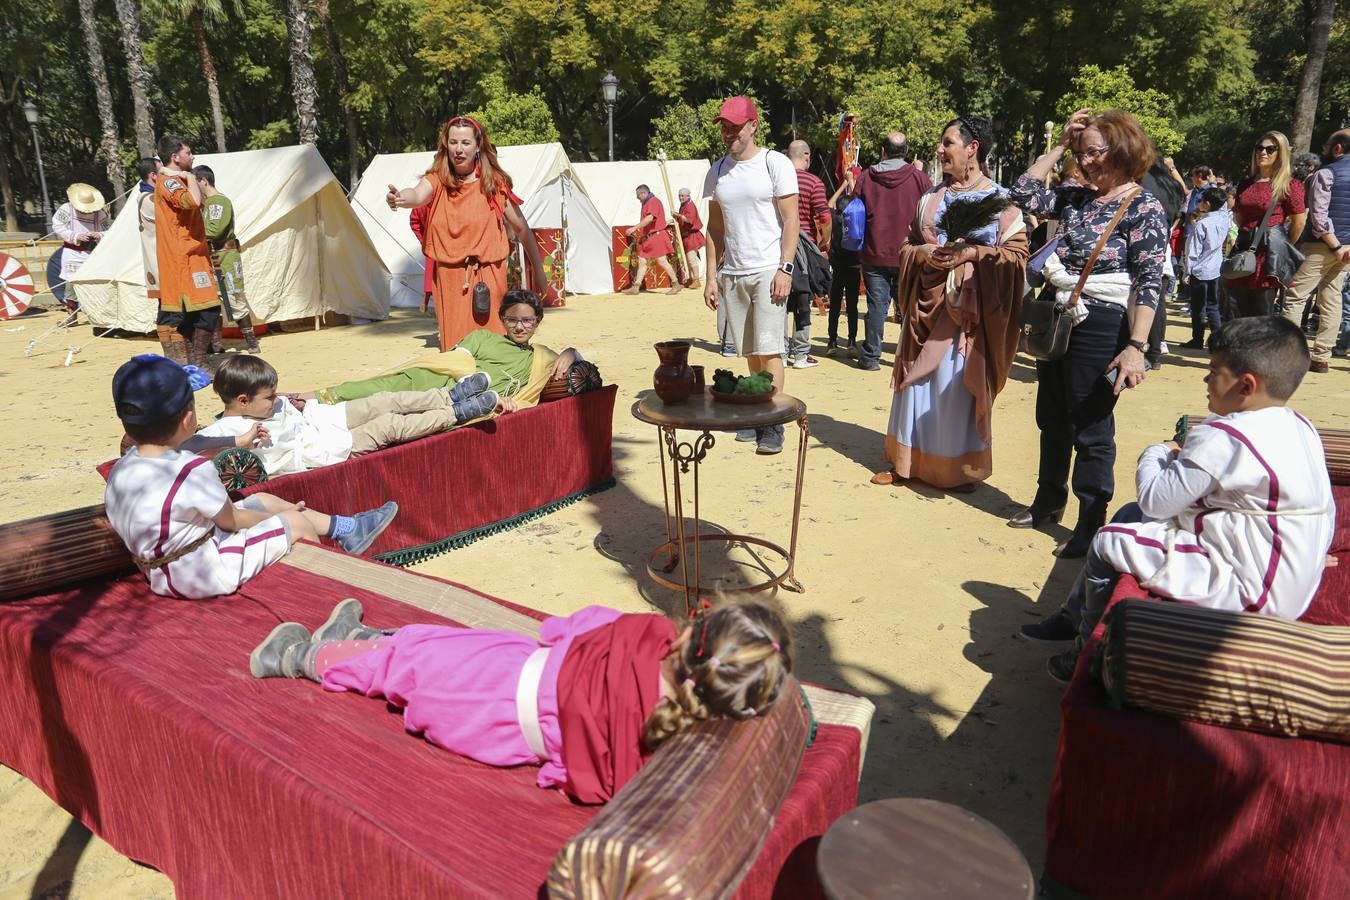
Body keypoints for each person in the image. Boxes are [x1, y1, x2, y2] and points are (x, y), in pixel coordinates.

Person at [1018, 317, 1334, 682]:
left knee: (1109, 541)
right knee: (1128, 513)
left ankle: (1086, 653)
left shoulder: (1224, 435)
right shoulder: (1299, 424)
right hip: (1289, 574)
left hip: (1254, 591)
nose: (1206, 379)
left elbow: (1155, 500)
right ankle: (1074, 614)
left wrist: (1157, 451)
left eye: (1214, 371)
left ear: (1246, 385)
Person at [248, 597, 792, 804]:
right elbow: (594, 781)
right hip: (508, 735)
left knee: (413, 660)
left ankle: (298, 657)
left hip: (495, 682)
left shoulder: (641, 633)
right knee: (420, 651)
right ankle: (359, 639)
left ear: (696, 628)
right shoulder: (671, 752)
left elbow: (559, 628)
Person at [1007, 108, 1168, 558]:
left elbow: (1149, 281)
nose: (1088, 162)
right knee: (1051, 416)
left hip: (1102, 323)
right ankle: (1047, 501)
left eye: (1096, 152)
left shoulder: (1144, 206)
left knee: (1091, 426)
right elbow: (1022, 192)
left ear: (1123, 148)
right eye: (1083, 153)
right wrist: (1060, 144)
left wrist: (1136, 347)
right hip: (1059, 317)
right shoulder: (1076, 196)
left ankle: (1090, 521)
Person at [104, 355, 400, 600]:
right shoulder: (190, 470)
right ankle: (330, 596)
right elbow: (231, 521)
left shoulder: (123, 467)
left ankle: (347, 528)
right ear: (188, 419)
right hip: (201, 573)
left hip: (166, 566)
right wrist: (290, 516)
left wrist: (274, 511)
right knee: (294, 522)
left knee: (262, 500)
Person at [870, 116, 1028, 491]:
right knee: (914, 385)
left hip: (968, 318)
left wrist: (973, 254)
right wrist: (922, 252)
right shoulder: (930, 198)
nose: (940, 151)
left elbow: (1018, 255)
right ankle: (906, 463)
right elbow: (907, 244)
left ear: (972, 148)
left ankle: (957, 469)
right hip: (926, 306)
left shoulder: (1001, 202)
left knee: (954, 389)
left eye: (947, 143)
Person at [386, 116, 547, 352]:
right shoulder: (437, 180)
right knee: (456, 348)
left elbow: (522, 227)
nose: (459, 149)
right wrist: (401, 198)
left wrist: (539, 271)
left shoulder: (493, 184)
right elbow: (418, 195)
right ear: (445, 144)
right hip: (450, 279)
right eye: (453, 142)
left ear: (478, 145)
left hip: (490, 275)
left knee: (494, 345)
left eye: (465, 142)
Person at [198, 355, 500, 475]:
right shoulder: (227, 430)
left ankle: (449, 395)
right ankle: (456, 413)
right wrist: (240, 443)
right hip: (325, 451)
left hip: (325, 420)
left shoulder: (269, 405)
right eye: (269, 396)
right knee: (388, 425)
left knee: (383, 401)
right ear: (242, 401)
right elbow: (188, 449)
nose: (275, 400)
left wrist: (297, 404)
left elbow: (289, 407)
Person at [702, 96, 800, 455]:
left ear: (753, 125)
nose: (729, 133)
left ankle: (771, 421)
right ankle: (755, 410)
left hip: (767, 268)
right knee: (750, 352)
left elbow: (792, 219)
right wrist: (711, 277)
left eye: (736, 126)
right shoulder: (717, 170)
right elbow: (714, 228)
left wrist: (784, 267)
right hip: (735, 272)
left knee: (770, 349)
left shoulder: (775, 164)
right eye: (725, 127)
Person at [313, 290, 583, 409]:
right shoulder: (482, 338)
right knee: (374, 390)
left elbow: (583, 367)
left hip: (463, 406)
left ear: (538, 321)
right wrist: (472, 386)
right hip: (431, 382)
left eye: (527, 321)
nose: (520, 327)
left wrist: (571, 351)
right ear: (502, 319)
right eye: (512, 319)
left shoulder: (541, 357)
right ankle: (305, 398)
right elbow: (458, 359)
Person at [853, 132, 933, 371]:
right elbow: (931, 214)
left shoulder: (867, 177)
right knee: (909, 307)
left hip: (873, 250)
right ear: (906, 152)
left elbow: (853, 209)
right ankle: (909, 356)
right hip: (909, 253)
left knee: (877, 306)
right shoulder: (920, 179)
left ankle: (871, 357)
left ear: (882, 151)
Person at [1281, 129, 1350, 374]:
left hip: (1322, 246)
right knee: (1332, 299)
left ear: (1338, 148)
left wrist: (1335, 245)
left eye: (1327, 145)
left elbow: (1319, 217)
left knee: (1296, 296)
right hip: (1345, 250)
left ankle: (1289, 354)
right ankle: (1322, 356)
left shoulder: (1326, 174)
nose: (1323, 150)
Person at [154, 135, 223, 369]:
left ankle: (195, 362)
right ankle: (197, 362)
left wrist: (187, 177)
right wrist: (190, 176)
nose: (192, 156)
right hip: (183, 258)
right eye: (188, 152)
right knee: (204, 310)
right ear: (175, 157)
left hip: (195, 254)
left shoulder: (180, 179)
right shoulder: (168, 182)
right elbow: (193, 201)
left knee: (202, 311)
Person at [1229, 131, 1306, 317]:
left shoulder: (1289, 185)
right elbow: (1238, 216)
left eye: (1270, 149)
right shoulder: (1245, 183)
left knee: (1262, 313)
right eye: (1259, 148)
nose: (1263, 152)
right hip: (1243, 249)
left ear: (1281, 153)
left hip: (1268, 255)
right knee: (1234, 309)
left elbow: (1299, 222)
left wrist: (1282, 246)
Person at [193, 165, 262, 354]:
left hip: (225, 258)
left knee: (234, 300)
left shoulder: (218, 202)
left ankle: (251, 342)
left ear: (203, 181)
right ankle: (216, 344)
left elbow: (215, 230)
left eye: (194, 182)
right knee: (213, 303)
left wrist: (190, 236)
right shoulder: (207, 204)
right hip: (212, 258)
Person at [785, 140, 831, 370]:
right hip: (803, 248)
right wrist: (823, 242)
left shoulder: (777, 180)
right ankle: (801, 354)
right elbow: (824, 217)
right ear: (806, 156)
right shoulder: (813, 182)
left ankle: (781, 352)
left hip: (778, 246)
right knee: (803, 298)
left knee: (779, 300)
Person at [1182, 187, 1232, 349]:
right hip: (1216, 269)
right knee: (1213, 306)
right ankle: (1218, 341)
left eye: (1202, 201)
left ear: (1208, 204)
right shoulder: (1224, 219)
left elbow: (1192, 252)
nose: (1199, 204)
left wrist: (1187, 272)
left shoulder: (1202, 225)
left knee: (1198, 307)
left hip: (1199, 270)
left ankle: (1197, 339)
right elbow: (1223, 207)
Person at [51, 182, 110, 319]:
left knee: (94, 282)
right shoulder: (66, 209)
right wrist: (75, 236)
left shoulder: (100, 213)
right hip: (73, 252)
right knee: (71, 282)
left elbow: (108, 230)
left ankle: (96, 312)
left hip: (93, 253)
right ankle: (72, 314)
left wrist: (99, 235)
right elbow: (58, 226)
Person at [825, 167, 861, 357]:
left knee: (835, 306)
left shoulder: (836, 217)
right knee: (853, 307)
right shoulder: (856, 219)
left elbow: (829, 204)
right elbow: (860, 202)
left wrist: (844, 184)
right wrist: (852, 183)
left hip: (837, 267)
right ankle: (852, 342)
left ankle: (832, 341)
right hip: (854, 267)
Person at [623, 185, 681, 295]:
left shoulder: (653, 201)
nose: (637, 198)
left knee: (661, 260)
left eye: (638, 195)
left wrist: (635, 228)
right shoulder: (648, 203)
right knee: (642, 261)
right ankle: (636, 286)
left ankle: (676, 283)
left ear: (644, 193)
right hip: (651, 237)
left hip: (656, 236)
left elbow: (650, 218)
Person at [408, 200, 437, 314]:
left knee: (436, 286)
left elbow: (414, 222)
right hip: (446, 250)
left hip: (432, 247)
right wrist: (424, 241)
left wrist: (424, 242)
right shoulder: (443, 198)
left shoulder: (421, 202)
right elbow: (415, 221)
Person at [675, 188, 705, 289]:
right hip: (686, 236)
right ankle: (691, 279)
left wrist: (678, 215)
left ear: (688, 196)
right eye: (680, 196)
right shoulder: (683, 206)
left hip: (692, 236)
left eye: (683, 196)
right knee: (687, 259)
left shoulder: (690, 206)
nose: (681, 198)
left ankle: (696, 279)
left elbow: (689, 220)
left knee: (691, 258)